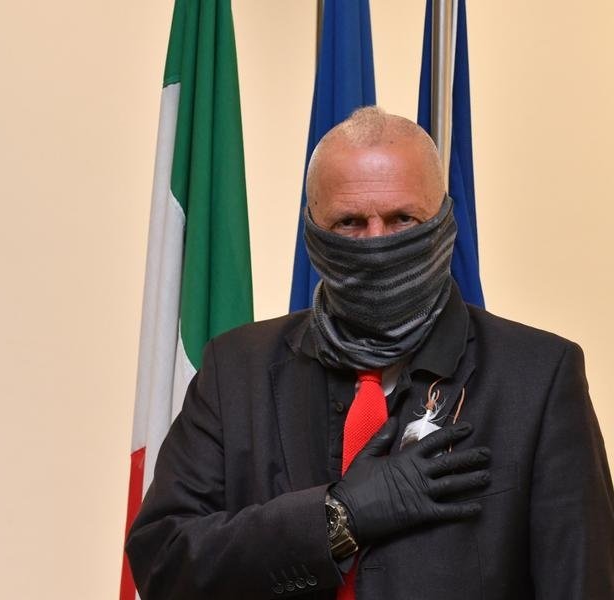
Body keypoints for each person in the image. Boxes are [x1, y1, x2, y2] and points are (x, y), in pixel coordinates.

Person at [125, 107, 614, 599]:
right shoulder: (235, 370)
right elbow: (164, 563)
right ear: (313, 232)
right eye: (350, 222)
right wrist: (339, 517)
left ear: (444, 221)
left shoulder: (539, 376)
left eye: (403, 219)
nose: (377, 243)